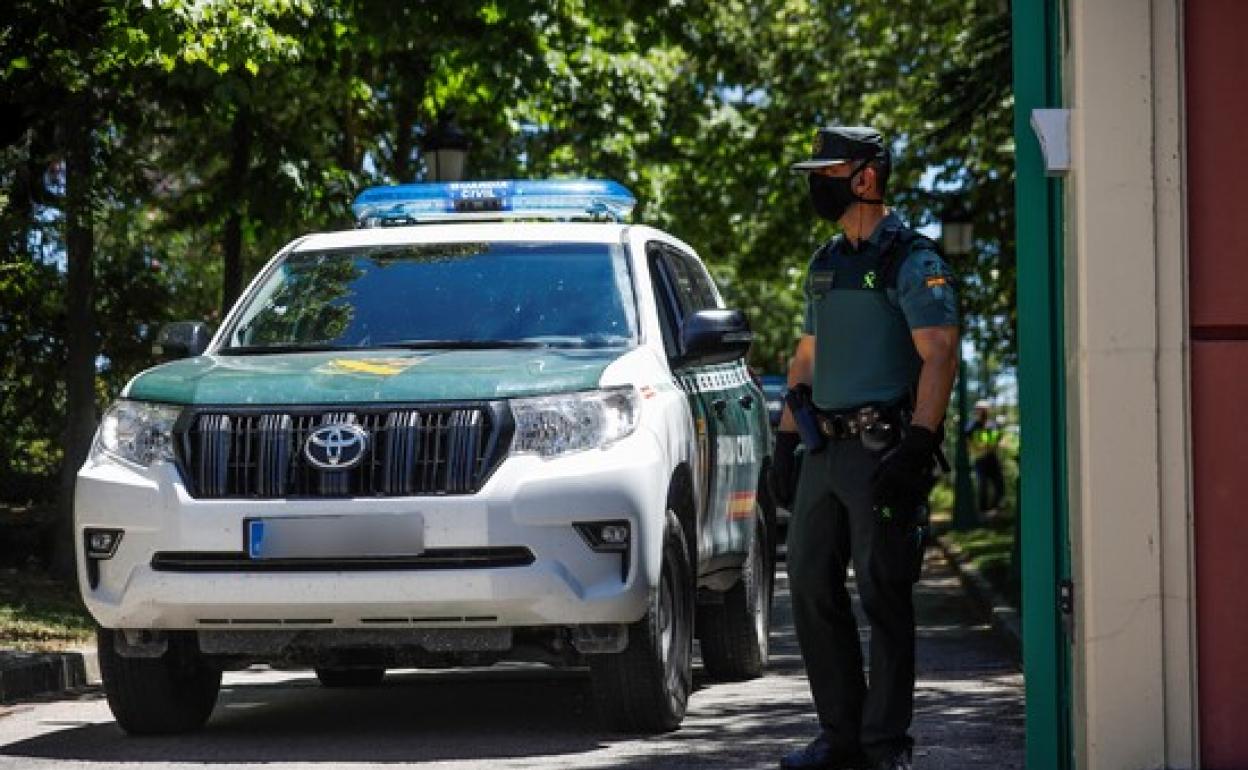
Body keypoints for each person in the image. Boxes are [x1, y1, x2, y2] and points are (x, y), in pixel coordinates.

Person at [770, 126, 959, 770]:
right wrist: (784, 444)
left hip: (882, 452)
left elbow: (939, 356)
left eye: (826, 171)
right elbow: (807, 355)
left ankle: (884, 746)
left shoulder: (914, 260)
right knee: (810, 588)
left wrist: (919, 444)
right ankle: (840, 737)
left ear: (866, 176)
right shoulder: (824, 262)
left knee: (884, 594)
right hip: (824, 452)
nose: (815, 183)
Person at [966, 399, 1005, 518]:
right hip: (980, 459)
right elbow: (967, 439)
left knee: (999, 484)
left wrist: (996, 444)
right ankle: (983, 512)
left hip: (992, 458)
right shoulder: (972, 425)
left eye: (984, 409)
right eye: (979, 409)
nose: (982, 412)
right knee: (982, 485)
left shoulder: (993, 424)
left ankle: (995, 509)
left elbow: (999, 438)